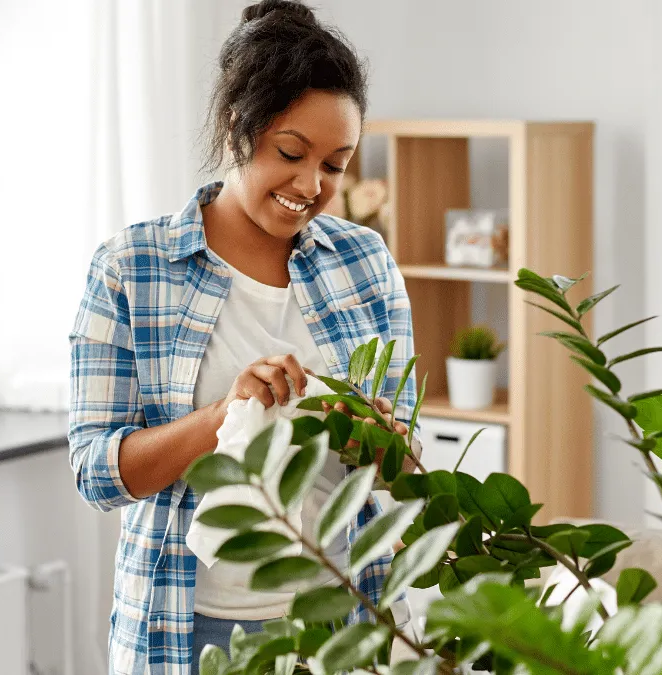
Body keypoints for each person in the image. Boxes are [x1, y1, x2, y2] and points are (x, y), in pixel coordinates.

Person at [67, 1, 419, 672]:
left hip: (347, 617)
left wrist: (371, 435)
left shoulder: (365, 262)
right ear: (236, 129)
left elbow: (402, 460)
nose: (311, 185)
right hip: (189, 628)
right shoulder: (132, 268)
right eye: (291, 153)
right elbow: (96, 472)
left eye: (336, 164)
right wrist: (222, 418)